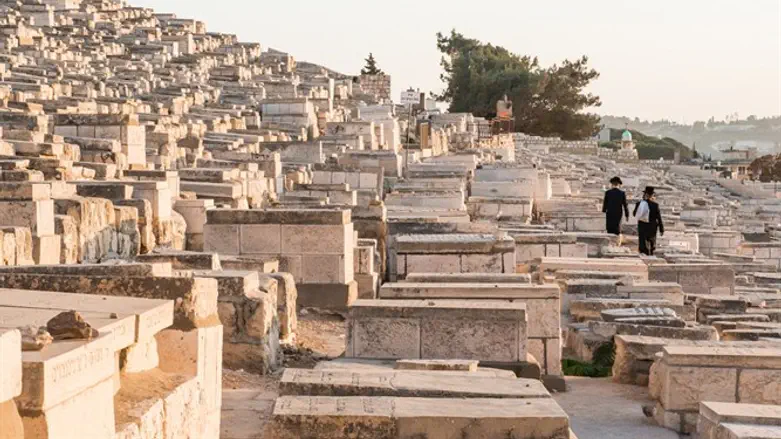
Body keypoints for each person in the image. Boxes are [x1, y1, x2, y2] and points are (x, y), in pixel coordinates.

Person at [635, 186, 664, 255]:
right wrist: (661, 229)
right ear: (652, 195)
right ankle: (651, 255)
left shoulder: (639, 204)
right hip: (652, 227)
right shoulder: (655, 205)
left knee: (643, 243)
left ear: (645, 195)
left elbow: (634, 214)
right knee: (652, 243)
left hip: (643, 226)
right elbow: (659, 218)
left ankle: (643, 255)